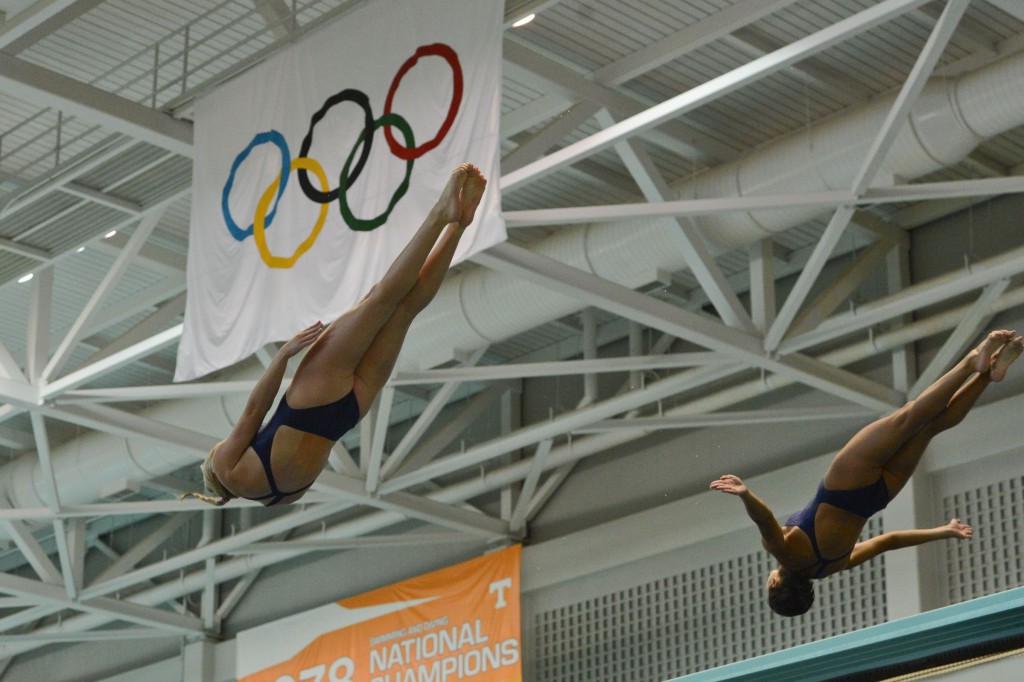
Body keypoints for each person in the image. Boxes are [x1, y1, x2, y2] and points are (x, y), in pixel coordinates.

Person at [181, 163, 487, 506]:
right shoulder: (224, 468)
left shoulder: (281, 499)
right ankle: (439, 216)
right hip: (311, 400)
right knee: (380, 300)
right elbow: (255, 410)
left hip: (348, 412)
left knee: (403, 313)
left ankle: (458, 227)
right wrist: (283, 356)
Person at [710, 330, 1023, 617]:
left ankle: (988, 374)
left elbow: (889, 540)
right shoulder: (783, 552)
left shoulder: (830, 567)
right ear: (776, 585)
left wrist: (944, 531)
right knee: (909, 417)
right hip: (845, 484)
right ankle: (972, 362)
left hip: (880, 496)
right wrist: (746, 495)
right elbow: (764, 521)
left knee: (930, 428)